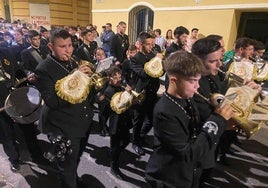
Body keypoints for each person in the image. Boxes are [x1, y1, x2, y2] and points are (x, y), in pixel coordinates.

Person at [145, 50, 234, 188]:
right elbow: (189, 154)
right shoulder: (164, 111)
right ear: (173, 81)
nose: (197, 86)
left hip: (188, 172)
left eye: (198, 81)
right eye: (193, 81)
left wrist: (224, 125)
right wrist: (218, 120)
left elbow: (196, 129)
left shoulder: (187, 98)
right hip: (169, 178)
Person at [34, 28, 94, 188]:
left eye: (70, 45)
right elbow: (52, 102)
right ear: (51, 47)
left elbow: (85, 93)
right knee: (66, 168)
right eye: (62, 46)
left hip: (82, 122)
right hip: (64, 127)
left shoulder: (73, 61)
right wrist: (74, 78)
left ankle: (73, 178)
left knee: (75, 160)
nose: (68, 50)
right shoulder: (43, 69)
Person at [130, 32, 162, 156]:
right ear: (141, 44)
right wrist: (156, 61)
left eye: (152, 44)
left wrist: (160, 61)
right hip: (141, 94)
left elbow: (161, 71)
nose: (151, 47)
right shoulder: (136, 58)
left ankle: (141, 136)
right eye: (148, 44)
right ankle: (135, 142)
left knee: (151, 120)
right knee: (138, 120)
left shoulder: (153, 55)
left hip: (153, 93)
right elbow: (143, 74)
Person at [103, 66, 132, 179]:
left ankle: (114, 155)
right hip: (116, 122)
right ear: (109, 78)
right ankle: (114, 167)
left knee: (126, 139)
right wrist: (126, 93)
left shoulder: (120, 86)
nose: (118, 79)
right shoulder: (108, 91)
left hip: (124, 120)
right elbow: (118, 104)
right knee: (115, 145)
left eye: (119, 76)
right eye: (115, 77)